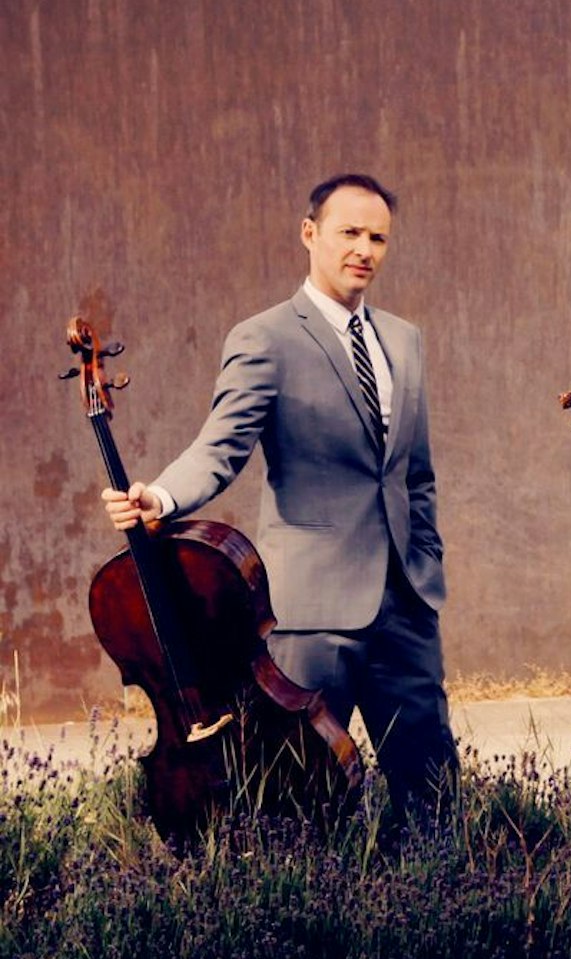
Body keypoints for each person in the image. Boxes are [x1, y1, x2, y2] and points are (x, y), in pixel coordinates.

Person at [103, 172, 457, 818]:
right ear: (309, 233)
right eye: (349, 232)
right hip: (313, 612)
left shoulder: (404, 341)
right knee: (303, 806)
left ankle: (438, 912)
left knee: (431, 797)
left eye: (378, 237)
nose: (365, 249)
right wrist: (160, 495)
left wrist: (425, 564)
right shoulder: (264, 339)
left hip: (406, 606)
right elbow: (221, 447)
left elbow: (415, 475)